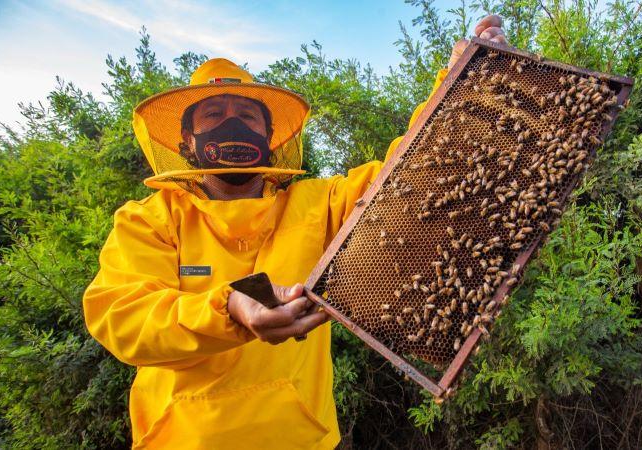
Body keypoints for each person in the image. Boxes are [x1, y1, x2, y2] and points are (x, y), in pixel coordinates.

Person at [83, 15, 507, 450]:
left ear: (270, 136)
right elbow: (123, 317)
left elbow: (409, 173)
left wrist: (460, 83)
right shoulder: (150, 219)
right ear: (186, 141)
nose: (234, 125)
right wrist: (228, 308)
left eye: (248, 116)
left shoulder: (317, 205)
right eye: (214, 114)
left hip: (304, 438)